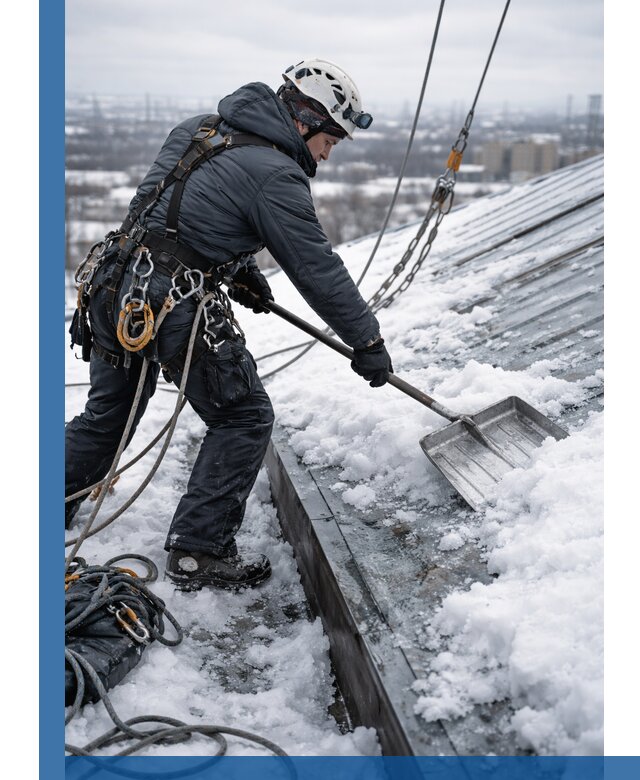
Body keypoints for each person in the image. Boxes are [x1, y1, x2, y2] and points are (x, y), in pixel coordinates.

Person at [65, 59, 393, 591]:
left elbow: (173, 209)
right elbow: (316, 268)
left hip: (114, 286)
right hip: (171, 302)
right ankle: (199, 550)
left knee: (107, 418)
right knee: (243, 417)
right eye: (331, 138)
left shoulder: (199, 128)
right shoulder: (277, 176)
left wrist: (240, 271)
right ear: (305, 119)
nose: (329, 152)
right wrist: (367, 340)